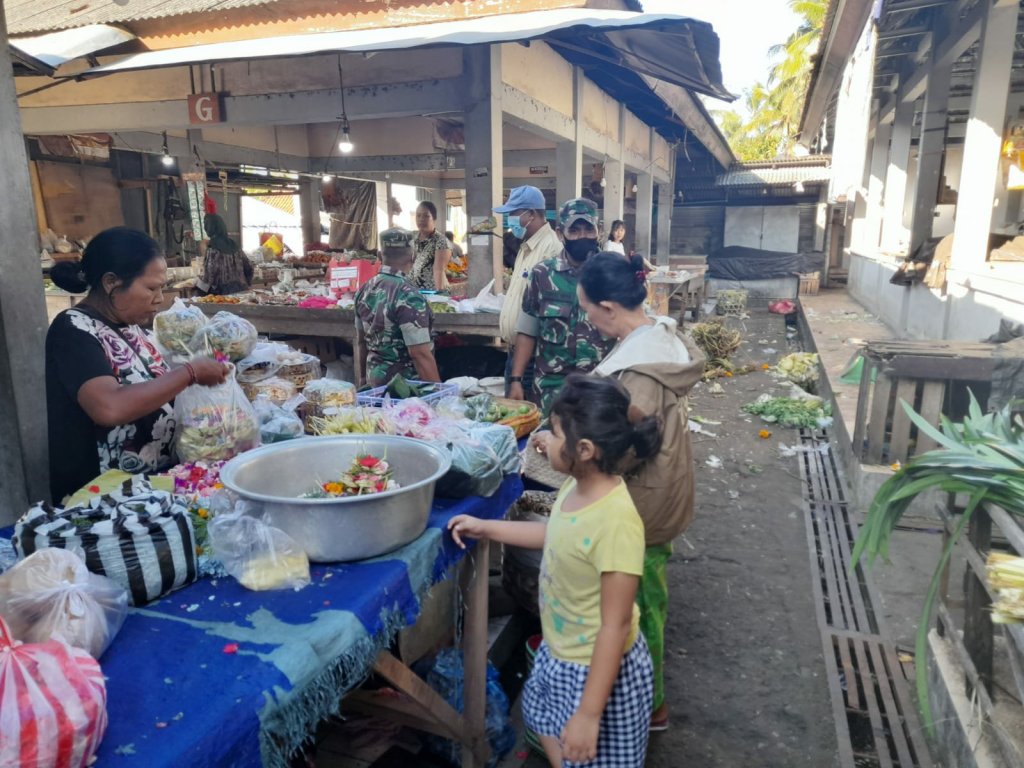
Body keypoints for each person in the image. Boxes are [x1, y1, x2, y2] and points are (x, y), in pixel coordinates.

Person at [448, 375, 660, 767]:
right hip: (561, 649)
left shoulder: (616, 523)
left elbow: (614, 626)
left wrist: (589, 714)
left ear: (585, 449)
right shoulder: (577, 487)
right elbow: (556, 535)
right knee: (546, 721)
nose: (546, 437)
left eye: (556, 432)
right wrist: (487, 528)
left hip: (596, 668)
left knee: (593, 753)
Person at [578, 251, 706, 732]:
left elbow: (626, 447)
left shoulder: (638, 372)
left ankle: (650, 706)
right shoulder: (658, 335)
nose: (588, 320)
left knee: (638, 609)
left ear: (609, 307)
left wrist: (573, 453)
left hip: (644, 506)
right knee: (647, 597)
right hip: (666, 491)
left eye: (588, 310)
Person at [46, 227, 229, 502]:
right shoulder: (73, 330)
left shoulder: (132, 328)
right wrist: (190, 372)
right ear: (111, 282)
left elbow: (157, 387)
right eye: (151, 288)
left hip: (149, 491)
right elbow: (109, 407)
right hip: (102, 499)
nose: (159, 298)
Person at [508, 197, 615, 416]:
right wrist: (516, 379)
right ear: (560, 233)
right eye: (574, 231)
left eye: (589, 229)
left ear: (599, 231)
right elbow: (527, 332)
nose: (582, 236)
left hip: (601, 390)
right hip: (551, 391)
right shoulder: (542, 275)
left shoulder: (612, 273)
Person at [492, 186, 563, 398]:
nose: (509, 220)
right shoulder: (526, 248)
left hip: (532, 357)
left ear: (531, 214)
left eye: (513, 214)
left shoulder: (551, 249)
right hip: (516, 353)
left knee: (528, 413)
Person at [355, 227, 440, 387]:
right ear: (414, 256)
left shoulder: (364, 290)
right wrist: (438, 393)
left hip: (375, 384)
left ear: (379, 256)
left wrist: (363, 380)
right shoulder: (409, 296)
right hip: (404, 389)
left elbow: (361, 342)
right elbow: (419, 354)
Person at [196, 213, 253, 295]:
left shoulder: (213, 248)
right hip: (242, 292)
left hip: (222, 295)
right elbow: (249, 267)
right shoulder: (234, 244)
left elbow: (209, 276)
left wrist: (199, 289)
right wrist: (247, 283)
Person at [411, 201, 452, 292]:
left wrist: (438, 294)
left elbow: (438, 271)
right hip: (413, 291)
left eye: (426, 216)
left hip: (432, 291)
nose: (421, 219)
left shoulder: (441, 241)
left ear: (434, 218)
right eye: (418, 215)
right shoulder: (412, 238)